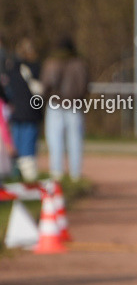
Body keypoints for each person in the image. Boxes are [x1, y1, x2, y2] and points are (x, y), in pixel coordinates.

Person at [41, 37, 89, 180]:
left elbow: (45, 86)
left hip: (55, 104)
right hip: (74, 105)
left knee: (55, 140)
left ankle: (57, 173)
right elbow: (84, 86)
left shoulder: (51, 63)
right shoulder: (79, 64)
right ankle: (75, 173)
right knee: (75, 140)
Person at [1, 38, 44, 181]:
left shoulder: (11, 69)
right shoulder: (36, 69)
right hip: (30, 114)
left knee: (16, 151)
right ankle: (30, 182)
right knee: (28, 152)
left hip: (16, 114)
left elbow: (7, 92)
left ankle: (15, 180)